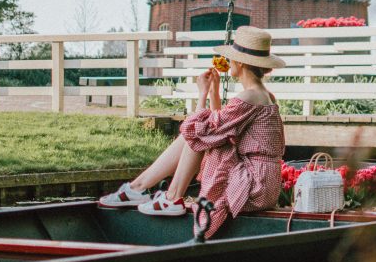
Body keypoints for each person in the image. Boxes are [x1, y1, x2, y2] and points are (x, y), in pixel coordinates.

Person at [98, 26, 286, 239]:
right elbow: (220, 128)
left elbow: (203, 130)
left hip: (254, 186)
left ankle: (166, 195)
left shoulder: (249, 97)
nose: (229, 61)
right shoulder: (263, 94)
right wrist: (214, 92)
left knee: (197, 133)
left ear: (240, 62)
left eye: (231, 58)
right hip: (265, 183)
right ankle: (139, 188)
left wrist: (202, 94)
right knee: (202, 133)